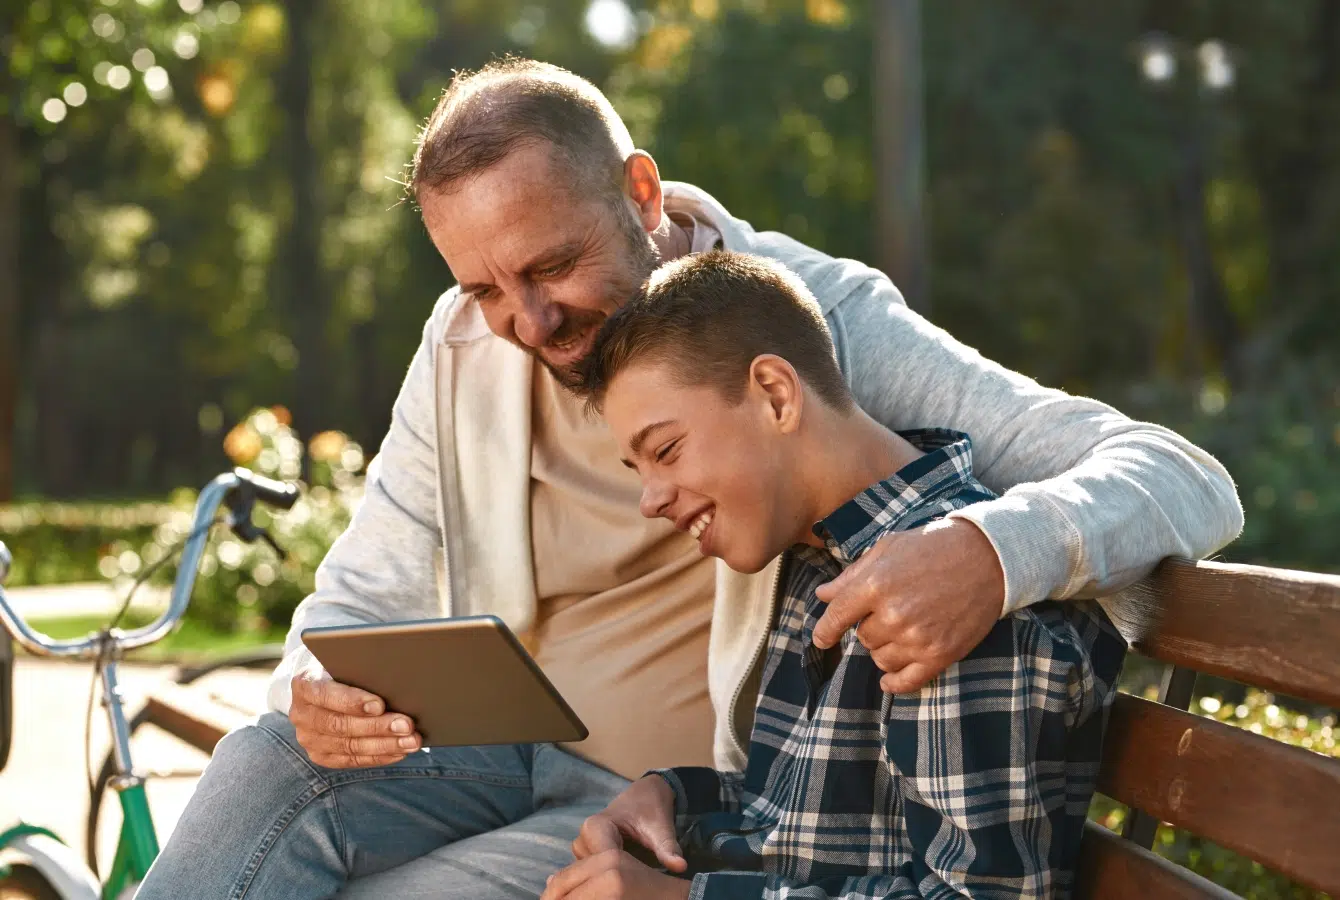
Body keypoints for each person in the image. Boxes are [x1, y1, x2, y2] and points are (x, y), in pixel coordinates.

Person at [136, 58, 1240, 899]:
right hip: (498, 750)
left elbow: (1179, 474)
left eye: (550, 266)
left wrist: (988, 553)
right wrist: (315, 697)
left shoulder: (814, 322)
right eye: (483, 287)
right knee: (268, 760)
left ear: (641, 192)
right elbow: (365, 583)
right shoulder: (464, 343)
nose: (526, 322)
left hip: (663, 803)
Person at [541, 250, 1127, 900]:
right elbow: (798, 823)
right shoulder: (821, 557)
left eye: (667, 451)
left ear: (776, 395)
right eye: (638, 469)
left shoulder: (946, 597)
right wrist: (669, 798)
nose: (650, 499)